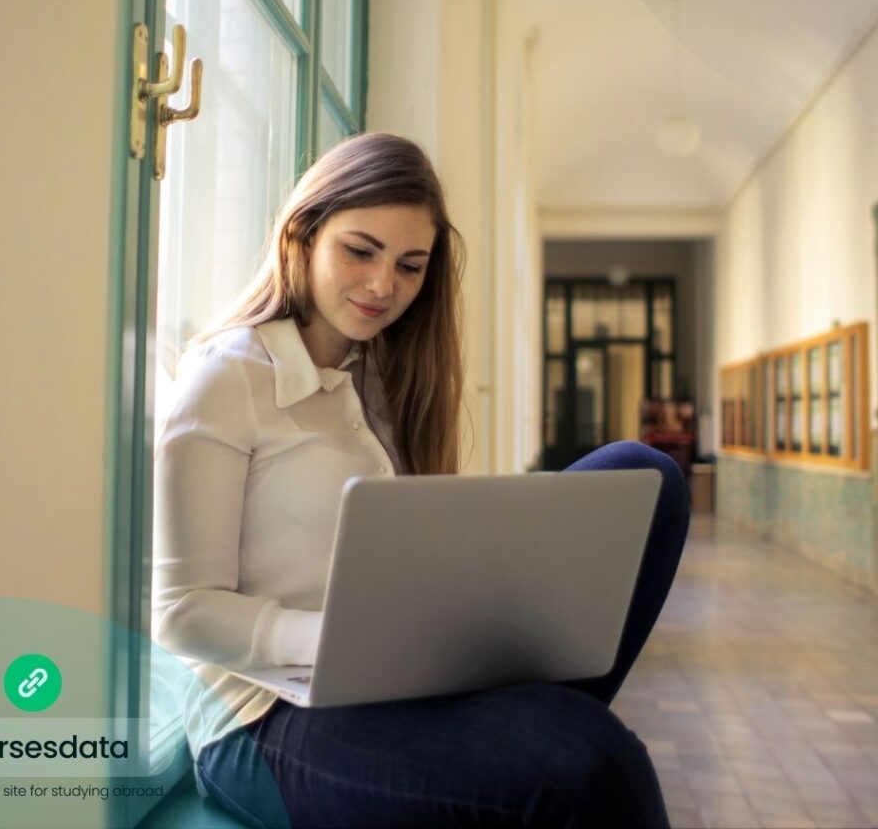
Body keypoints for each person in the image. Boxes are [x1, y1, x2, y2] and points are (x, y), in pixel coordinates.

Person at [153, 132, 689, 829]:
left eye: (411, 265)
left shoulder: (383, 377)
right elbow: (180, 612)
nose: (385, 286)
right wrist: (344, 640)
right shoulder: (227, 375)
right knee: (591, 757)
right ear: (302, 237)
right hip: (260, 721)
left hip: (393, 679)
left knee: (649, 477)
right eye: (360, 250)